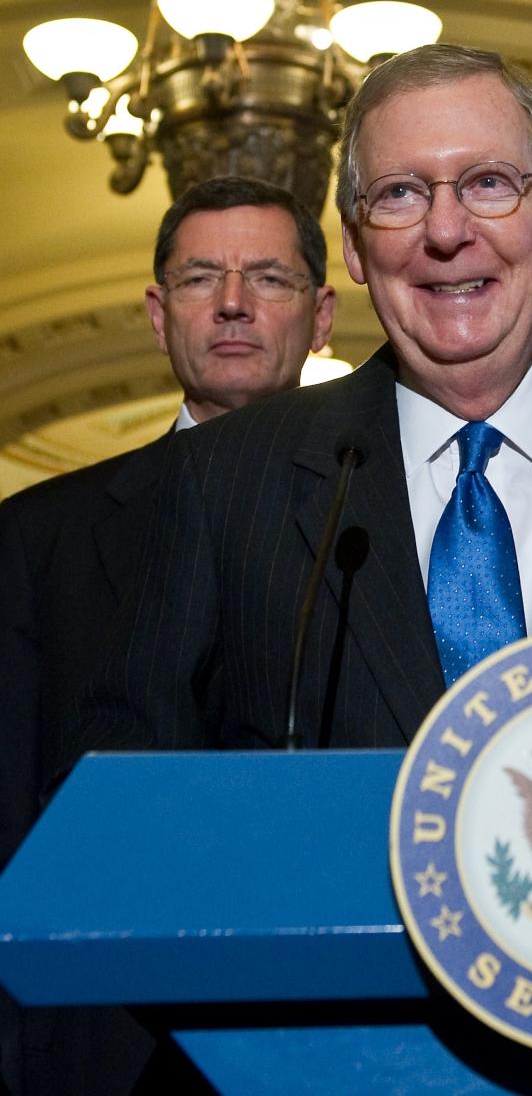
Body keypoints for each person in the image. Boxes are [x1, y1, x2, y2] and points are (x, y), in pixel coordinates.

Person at [70, 44, 532, 766]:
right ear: (355, 246)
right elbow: (132, 804)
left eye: (487, 182)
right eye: (400, 194)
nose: (446, 233)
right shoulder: (223, 481)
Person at [0, 175, 334, 1096]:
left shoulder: (399, 520)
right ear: (158, 313)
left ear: (323, 315)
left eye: (268, 277)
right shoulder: (38, 538)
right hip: (109, 1044)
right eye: (199, 279)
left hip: (340, 1028)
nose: (232, 302)